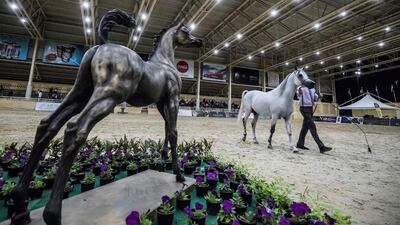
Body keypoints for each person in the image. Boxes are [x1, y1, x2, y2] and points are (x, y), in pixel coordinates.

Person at [296, 82, 332, 153]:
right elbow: (298, 92)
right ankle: (321, 147)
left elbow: (316, 98)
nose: (312, 85)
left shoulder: (312, 90)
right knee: (312, 127)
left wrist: (319, 95)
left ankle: (300, 144)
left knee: (305, 128)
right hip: (304, 108)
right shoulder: (302, 89)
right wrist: (300, 88)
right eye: (311, 84)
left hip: (310, 109)